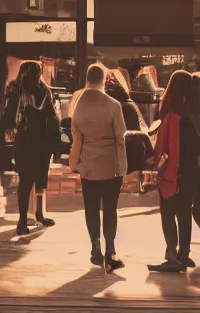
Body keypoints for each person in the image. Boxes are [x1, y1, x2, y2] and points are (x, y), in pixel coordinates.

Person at [148, 71, 200, 273]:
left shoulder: (174, 115)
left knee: (168, 211)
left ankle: (173, 255)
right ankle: (183, 254)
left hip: (177, 171)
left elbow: (169, 147)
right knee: (187, 211)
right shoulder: (197, 111)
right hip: (197, 172)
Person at [69, 63, 128, 273]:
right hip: (110, 164)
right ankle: (110, 250)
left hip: (88, 166)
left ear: (87, 79)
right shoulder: (114, 105)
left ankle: (95, 246)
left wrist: (75, 163)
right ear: (104, 80)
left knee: (91, 207)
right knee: (110, 209)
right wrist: (123, 167)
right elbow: (120, 138)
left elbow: (77, 138)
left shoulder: (78, 106)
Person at [1, 61, 61, 236]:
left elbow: (9, 115)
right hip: (37, 141)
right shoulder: (39, 90)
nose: (36, 76)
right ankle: (29, 217)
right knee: (32, 180)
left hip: (31, 141)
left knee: (32, 180)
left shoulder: (22, 90)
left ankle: (31, 217)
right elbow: (52, 117)